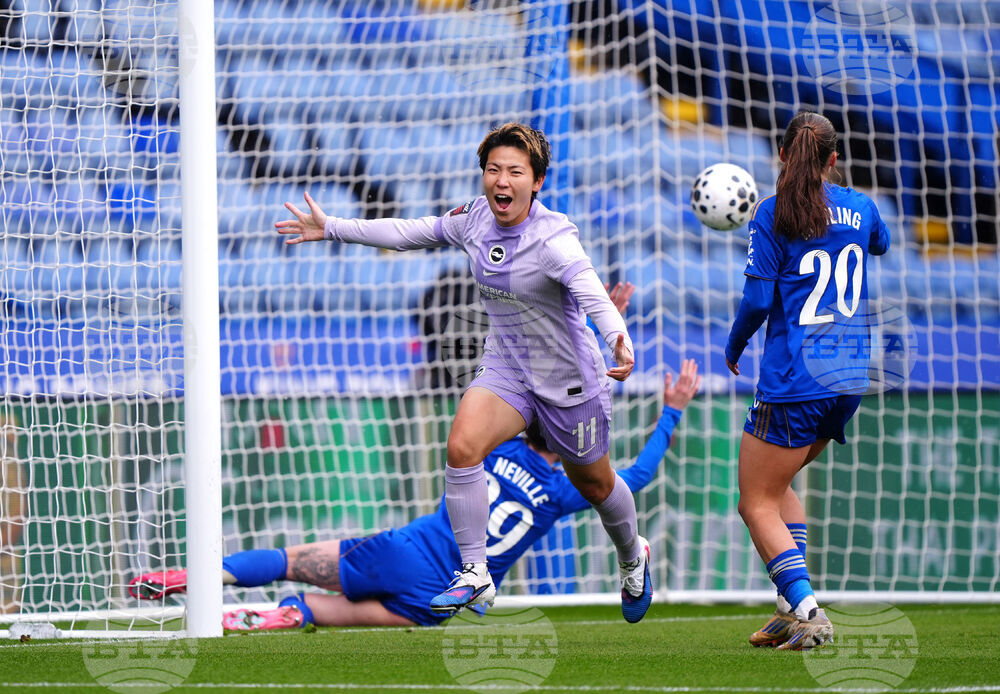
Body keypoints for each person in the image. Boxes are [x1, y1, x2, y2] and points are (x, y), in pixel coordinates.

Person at [274, 123, 648, 621]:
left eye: (515, 171)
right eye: (493, 169)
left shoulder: (554, 239)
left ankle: (632, 556)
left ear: (537, 181)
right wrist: (333, 227)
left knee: (596, 486)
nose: (501, 180)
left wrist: (618, 337)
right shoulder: (473, 219)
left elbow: (592, 293)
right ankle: (474, 573)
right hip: (508, 365)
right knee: (462, 447)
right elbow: (411, 232)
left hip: (568, 382)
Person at [129, 363, 702, 630]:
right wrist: (671, 411)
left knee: (289, 561)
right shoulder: (560, 491)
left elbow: (552, 394)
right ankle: (279, 617)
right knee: (317, 612)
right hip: (439, 602)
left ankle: (189, 578)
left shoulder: (496, 445)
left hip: (405, 553)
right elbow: (636, 476)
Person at [724, 111, 891, 650]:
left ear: (781, 155)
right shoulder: (862, 206)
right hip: (848, 379)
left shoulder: (773, 213)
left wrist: (734, 345)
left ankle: (809, 611)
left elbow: (756, 301)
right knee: (778, 489)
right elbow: (881, 243)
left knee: (755, 502)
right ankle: (786, 609)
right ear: (834, 158)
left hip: (796, 380)